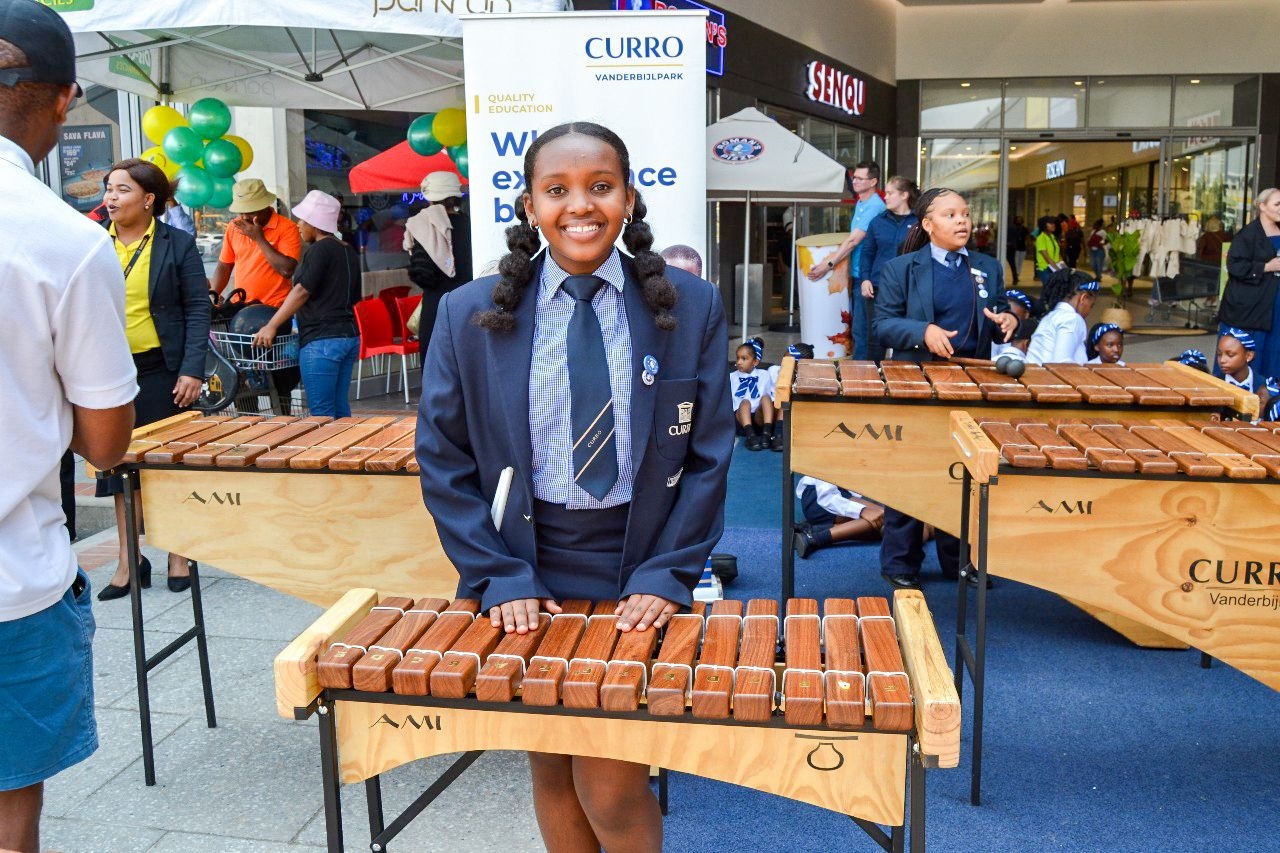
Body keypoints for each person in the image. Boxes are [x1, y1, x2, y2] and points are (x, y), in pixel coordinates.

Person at [415, 121, 733, 853]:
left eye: (601, 186)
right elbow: (443, 457)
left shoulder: (690, 305)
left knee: (611, 782)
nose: (580, 205)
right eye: (557, 190)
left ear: (628, 199)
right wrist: (497, 572)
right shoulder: (468, 313)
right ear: (530, 206)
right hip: (526, 570)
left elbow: (710, 453)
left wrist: (668, 571)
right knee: (552, 766)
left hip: (638, 566)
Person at [0, 3, 137, 848]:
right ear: (62, 100)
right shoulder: (65, 241)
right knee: (10, 812)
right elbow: (104, 443)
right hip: (11, 581)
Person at [873, 187, 1019, 589]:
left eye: (965, 214)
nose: (962, 221)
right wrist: (923, 331)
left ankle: (961, 561)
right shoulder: (901, 269)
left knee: (965, 476)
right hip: (917, 383)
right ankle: (900, 562)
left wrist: (1008, 321)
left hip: (970, 385)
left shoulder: (987, 266)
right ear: (927, 224)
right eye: (950, 215)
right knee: (912, 472)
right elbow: (883, 325)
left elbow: (998, 313)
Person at [95, 158, 211, 600]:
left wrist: (192, 369)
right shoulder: (93, 242)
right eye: (108, 188)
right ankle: (129, 561)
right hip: (108, 373)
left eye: (122, 189)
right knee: (117, 468)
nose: (111, 197)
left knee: (168, 465)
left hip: (163, 370)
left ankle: (178, 554)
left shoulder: (176, 243)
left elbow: (197, 307)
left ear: (148, 199)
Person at [251, 190, 361, 418]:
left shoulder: (319, 250)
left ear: (315, 222)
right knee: (340, 410)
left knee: (321, 415)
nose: (298, 224)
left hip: (322, 341)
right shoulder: (347, 250)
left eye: (302, 220)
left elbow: (301, 291)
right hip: (348, 337)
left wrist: (271, 325)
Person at [211, 178, 303, 408]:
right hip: (241, 313)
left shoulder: (286, 228)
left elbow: (287, 269)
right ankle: (248, 418)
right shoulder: (234, 227)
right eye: (241, 212)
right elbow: (224, 265)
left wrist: (259, 238)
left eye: (250, 212)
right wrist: (213, 292)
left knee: (278, 378)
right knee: (241, 374)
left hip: (274, 313)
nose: (244, 217)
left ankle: (282, 418)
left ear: (265, 206)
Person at [807, 161, 884, 360]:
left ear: (873, 181)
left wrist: (827, 264)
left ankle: (864, 374)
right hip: (857, 273)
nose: (854, 181)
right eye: (854, 177)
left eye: (860, 178)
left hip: (867, 276)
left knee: (863, 330)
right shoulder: (862, 203)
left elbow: (853, 241)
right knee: (859, 329)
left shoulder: (874, 206)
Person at [404, 170, 472, 355]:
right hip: (470, 306)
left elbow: (422, 272)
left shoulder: (424, 226)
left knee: (435, 365)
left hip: (436, 307)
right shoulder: (471, 224)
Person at [858, 175, 920, 363]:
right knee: (875, 338)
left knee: (907, 335)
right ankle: (873, 377)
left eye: (890, 193)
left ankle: (903, 376)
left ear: (904, 195)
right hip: (878, 287)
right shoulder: (877, 222)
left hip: (909, 289)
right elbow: (867, 253)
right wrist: (865, 279)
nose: (885, 197)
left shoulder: (919, 223)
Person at [1220, 188, 1280, 378]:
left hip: (1274, 304)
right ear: (1262, 206)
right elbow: (1234, 266)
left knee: (1273, 352)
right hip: (1251, 309)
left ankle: (1270, 391)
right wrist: (1266, 267)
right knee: (1251, 354)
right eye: (1277, 204)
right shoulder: (1248, 234)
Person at [792, 476, 884, 558]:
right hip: (820, 499)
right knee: (886, 519)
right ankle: (814, 538)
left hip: (840, 496)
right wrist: (862, 510)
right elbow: (826, 497)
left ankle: (815, 530)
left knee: (885, 528)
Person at [1026, 270, 1099, 366]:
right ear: (1083, 298)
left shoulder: (1050, 317)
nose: (1090, 311)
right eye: (1091, 305)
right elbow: (1062, 364)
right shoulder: (1072, 319)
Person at [730, 338, 776, 451]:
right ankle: (750, 437)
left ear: (755, 362)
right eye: (737, 358)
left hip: (759, 419)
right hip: (741, 420)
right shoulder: (731, 376)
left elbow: (772, 397)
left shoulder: (764, 375)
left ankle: (767, 434)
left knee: (766, 398)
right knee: (745, 402)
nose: (739, 362)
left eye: (744, 358)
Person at [1217, 327, 1259, 392]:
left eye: (1230, 355)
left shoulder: (1264, 387)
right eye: (1219, 354)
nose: (1222, 360)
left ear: (1249, 356)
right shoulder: (1214, 383)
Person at [1034, 216, 1064, 286]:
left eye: (1053, 223)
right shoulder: (1041, 238)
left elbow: (1058, 254)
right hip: (1045, 269)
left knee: (1055, 288)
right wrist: (1057, 270)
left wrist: (1063, 268)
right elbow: (1047, 257)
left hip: (1054, 267)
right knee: (1050, 288)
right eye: (1050, 223)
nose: (1053, 225)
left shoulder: (1053, 237)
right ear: (1044, 225)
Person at [1005, 214, 1029, 285]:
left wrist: (1027, 243)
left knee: (1020, 262)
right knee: (1015, 262)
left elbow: (1027, 237)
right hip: (1015, 248)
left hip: (1022, 247)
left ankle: (1017, 274)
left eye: (1020, 220)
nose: (1019, 221)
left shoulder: (1024, 229)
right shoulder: (1012, 228)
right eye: (1018, 220)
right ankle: (1016, 275)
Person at [1087, 218, 1110, 282]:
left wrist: (1101, 243)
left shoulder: (1103, 232)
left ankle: (1098, 277)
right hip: (1092, 250)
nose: (1094, 226)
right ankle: (1098, 275)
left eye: (1095, 225)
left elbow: (1107, 239)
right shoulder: (1093, 232)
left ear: (1099, 225)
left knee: (1099, 264)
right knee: (1093, 264)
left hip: (1099, 250)